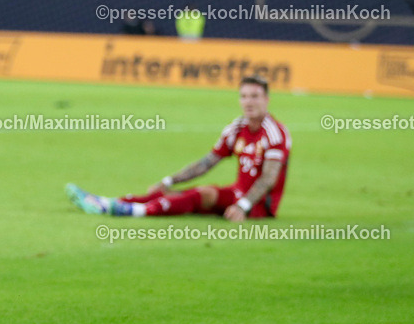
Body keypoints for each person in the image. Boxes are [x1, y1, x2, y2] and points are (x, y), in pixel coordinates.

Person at [67, 76, 290, 221]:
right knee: (178, 195)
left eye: (254, 96)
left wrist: (242, 206)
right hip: (236, 194)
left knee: (200, 194)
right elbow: (207, 162)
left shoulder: (274, 133)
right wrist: (168, 181)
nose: (248, 102)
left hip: (258, 205)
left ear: (267, 99)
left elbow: (269, 178)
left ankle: (133, 211)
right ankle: (109, 202)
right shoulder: (237, 127)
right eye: (244, 96)